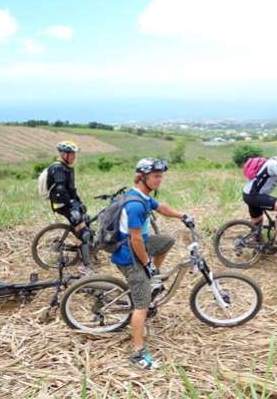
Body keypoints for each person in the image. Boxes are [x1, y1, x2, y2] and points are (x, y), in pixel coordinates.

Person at [111, 157, 194, 369]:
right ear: (143, 177)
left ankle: (153, 275)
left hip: (139, 246)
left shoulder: (143, 196)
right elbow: (135, 239)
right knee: (142, 306)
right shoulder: (135, 205)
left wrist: (181, 215)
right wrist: (146, 263)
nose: (159, 180)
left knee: (166, 240)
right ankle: (138, 353)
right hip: (128, 256)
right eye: (156, 176)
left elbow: (161, 207)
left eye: (160, 176)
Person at [47, 141, 94, 276]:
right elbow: (61, 189)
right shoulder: (58, 168)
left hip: (69, 202)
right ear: (63, 154)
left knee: (86, 220)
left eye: (74, 154)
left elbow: (71, 189)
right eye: (71, 154)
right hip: (62, 204)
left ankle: (85, 248)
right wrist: (73, 207)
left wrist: (79, 202)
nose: (74, 157)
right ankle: (85, 266)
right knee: (83, 233)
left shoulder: (65, 166)